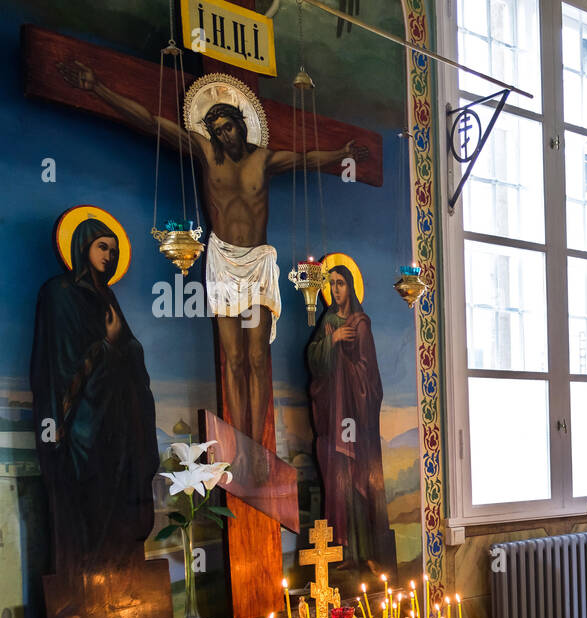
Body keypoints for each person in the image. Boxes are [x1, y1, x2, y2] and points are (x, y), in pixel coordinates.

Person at [58, 60, 365, 443]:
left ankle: (256, 441)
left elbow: (304, 159)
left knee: (256, 358)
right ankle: (240, 441)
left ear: (240, 124)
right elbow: (153, 123)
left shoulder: (263, 159)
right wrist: (98, 86)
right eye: (216, 131)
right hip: (222, 260)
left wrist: (341, 153)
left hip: (257, 263)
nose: (223, 136)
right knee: (233, 358)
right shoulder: (205, 153)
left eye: (229, 128)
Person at [31, 218, 158, 578]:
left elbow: (129, 349)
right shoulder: (58, 293)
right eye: (103, 246)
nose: (109, 255)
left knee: (119, 502)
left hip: (116, 423)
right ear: (82, 245)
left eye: (114, 250)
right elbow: (58, 362)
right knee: (88, 503)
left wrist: (120, 343)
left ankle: (119, 579)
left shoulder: (107, 296)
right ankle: (88, 582)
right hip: (82, 424)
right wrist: (106, 344)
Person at [306, 265, 395, 574]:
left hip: (356, 424)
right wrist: (332, 343)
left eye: (340, 283)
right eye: (331, 284)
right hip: (334, 421)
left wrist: (346, 358)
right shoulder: (329, 322)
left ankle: (364, 551)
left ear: (351, 287)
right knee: (337, 483)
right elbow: (315, 364)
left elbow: (370, 378)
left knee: (359, 483)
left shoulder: (361, 325)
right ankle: (342, 550)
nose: (335, 289)